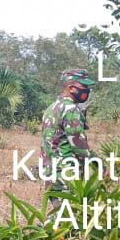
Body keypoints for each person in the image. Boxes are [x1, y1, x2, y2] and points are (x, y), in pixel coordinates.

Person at [40, 69, 95, 198]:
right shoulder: (71, 110)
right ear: (71, 87)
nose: (86, 91)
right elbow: (80, 147)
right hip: (67, 175)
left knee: (58, 214)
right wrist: (100, 166)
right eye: (84, 87)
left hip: (50, 172)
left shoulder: (52, 107)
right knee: (68, 215)